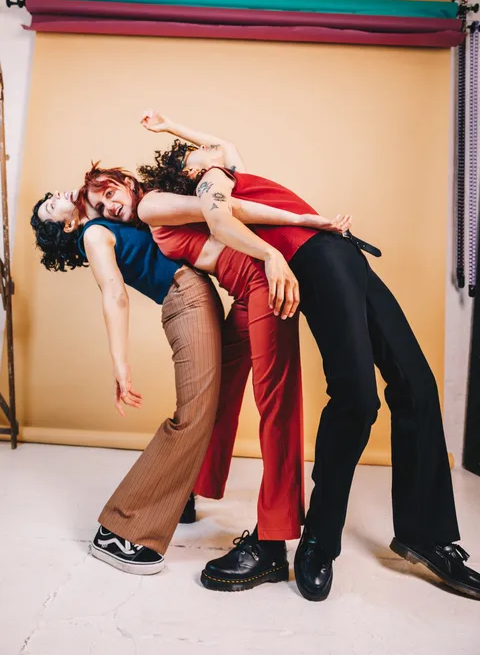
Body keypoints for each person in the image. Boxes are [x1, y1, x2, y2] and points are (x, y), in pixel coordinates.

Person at [86, 110, 480, 602]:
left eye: (108, 193)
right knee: (354, 399)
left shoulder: (221, 174)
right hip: (309, 259)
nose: (203, 153)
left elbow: (222, 148)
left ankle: (426, 535)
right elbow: (221, 214)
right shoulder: (194, 190)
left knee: (416, 382)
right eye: (100, 206)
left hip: (339, 251)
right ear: (180, 171)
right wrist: (282, 243)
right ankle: (314, 540)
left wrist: (173, 129)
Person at [31, 180, 345, 589]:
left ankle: (183, 495)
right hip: (187, 297)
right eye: (50, 206)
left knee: (212, 404)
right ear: (67, 226)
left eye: (53, 195)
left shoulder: (115, 216)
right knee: (195, 415)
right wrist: (120, 364)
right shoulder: (93, 234)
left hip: (203, 292)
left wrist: (300, 223)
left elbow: (218, 209)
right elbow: (114, 294)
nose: (56, 196)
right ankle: (121, 530)